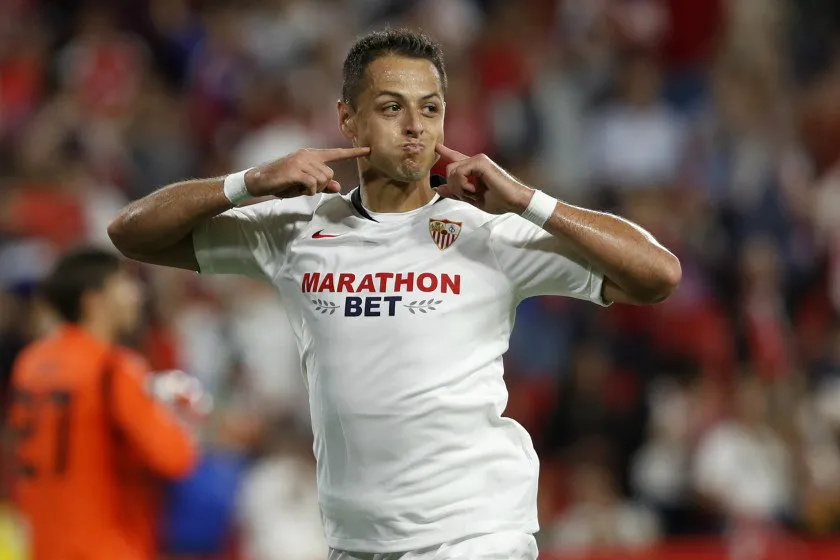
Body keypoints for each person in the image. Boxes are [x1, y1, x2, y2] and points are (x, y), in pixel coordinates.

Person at [108, 28, 681, 560]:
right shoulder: (296, 229)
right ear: (348, 119)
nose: (415, 126)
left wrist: (528, 201)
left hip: (474, 536)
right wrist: (248, 183)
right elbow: (132, 234)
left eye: (430, 109)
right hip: (357, 542)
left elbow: (658, 274)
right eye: (391, 107)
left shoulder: (489, 232)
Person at [5, 248, 200, 560]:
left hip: (43, 546)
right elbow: (176, 458)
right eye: (123, 284)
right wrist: (180, 415)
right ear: (93, 301)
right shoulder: (113, 367)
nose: (137, 294)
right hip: (105, 548)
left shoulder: (29, 363)